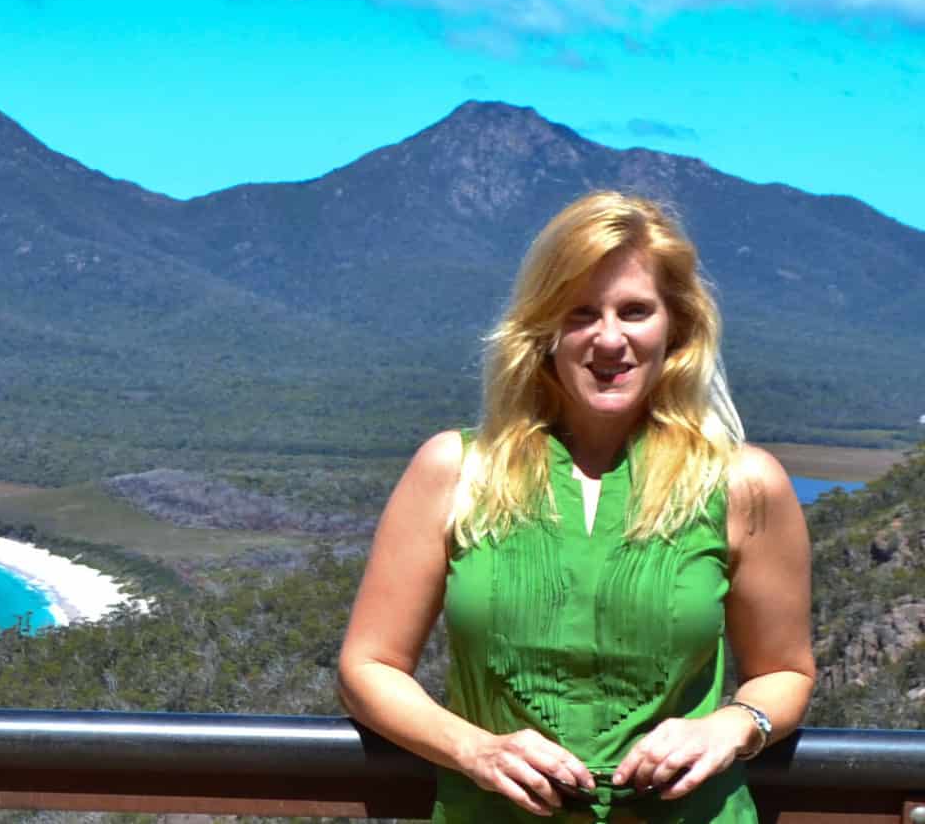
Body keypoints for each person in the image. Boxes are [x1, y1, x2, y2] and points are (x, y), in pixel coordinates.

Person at [336, 191, 814, 823]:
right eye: (581, 313)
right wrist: (473, 749)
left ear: (676, 325)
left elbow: (785, 672)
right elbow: (368, 666)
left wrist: (731, 726)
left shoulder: (742, 485)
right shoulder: (456, 472)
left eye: (635, 311)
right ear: (544, 331)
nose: (609, 339)